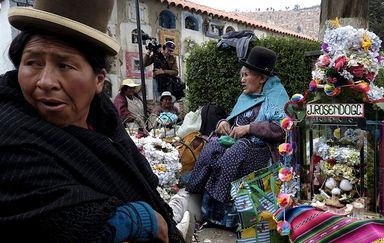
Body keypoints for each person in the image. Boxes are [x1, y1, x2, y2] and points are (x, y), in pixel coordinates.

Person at [0, 0, 184, 242]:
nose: (45, 81)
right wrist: (134, 218)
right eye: (33, 63)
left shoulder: (103, 116)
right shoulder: (11, 134)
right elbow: (55, 221)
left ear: (98, 80)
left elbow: (137, 174)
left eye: (64, 65)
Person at [186, 46, 289, 226]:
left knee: (237, 151)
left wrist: (250, 128)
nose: (242, 80)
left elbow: (282, 129)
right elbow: (235, 120)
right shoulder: (247, 96)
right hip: (238, 144)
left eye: (246, 75)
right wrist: (223, 123)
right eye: (241, 75)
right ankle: (193, 196)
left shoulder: (276, 96)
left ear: (262, 78)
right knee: (212, 147)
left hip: (262, 151)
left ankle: (221, 213)